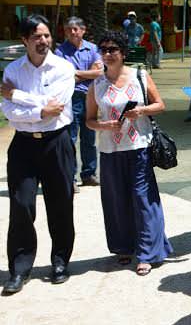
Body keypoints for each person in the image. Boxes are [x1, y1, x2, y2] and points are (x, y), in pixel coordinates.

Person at [85, 31, 172, 275]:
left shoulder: (139, 76)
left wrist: (141, 110)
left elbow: (160, 105)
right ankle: (123, 247)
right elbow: (89, 120)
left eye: (113, 49)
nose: (108, 54)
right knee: (115, 200)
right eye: (103, 49)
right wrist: (103, 125)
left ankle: (147, 252)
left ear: (123, 53)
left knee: (142, 198)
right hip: (110, 150)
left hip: (138, 148)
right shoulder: (97, 84)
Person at [1, 15, 76, 295]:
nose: (43, 41)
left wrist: (18, 97)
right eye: (36, 37)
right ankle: (19, 270)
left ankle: (60, 262)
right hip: (23, 146)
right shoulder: (13, 70)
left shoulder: (63, 68)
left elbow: (55, 107)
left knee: (61, 204)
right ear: (24, 40)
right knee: (21, 205)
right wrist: (38, 111)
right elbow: (8, 113)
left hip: (56, 142)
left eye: (46, 36)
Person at [55, 16, 103, 189]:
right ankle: (71, 178)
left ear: (83, 30)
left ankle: (89, 174)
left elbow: (99, 73)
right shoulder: (60, 52)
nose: (72, 32)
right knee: (71, 139)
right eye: (69, 29)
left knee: (89, 137)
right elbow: (64, 76)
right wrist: (88, 72)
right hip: (71, 98)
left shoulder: (93, 49)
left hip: (91, 97)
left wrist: (76, 73)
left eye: (76, 28)